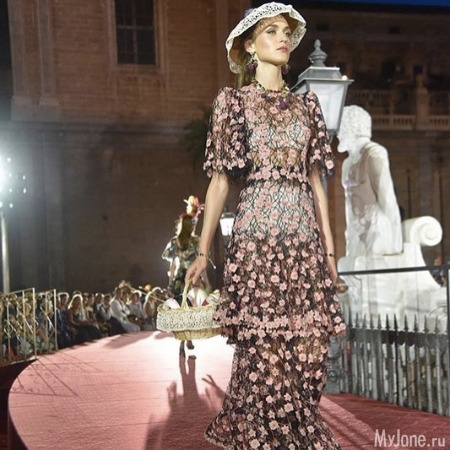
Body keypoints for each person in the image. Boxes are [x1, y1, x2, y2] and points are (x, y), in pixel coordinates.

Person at [185, 3, 346, 448]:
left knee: (311, 350)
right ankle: (266, 435)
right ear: (250, 46)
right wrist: (202, 251)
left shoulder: (307, 106)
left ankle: (294, 425)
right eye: (271, 31)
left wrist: (330, 255)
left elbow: (317, 183)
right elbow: (220, 180)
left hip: (303, 241)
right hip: (257, 239)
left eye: (286, 32)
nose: (282, 38)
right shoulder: (234, 103)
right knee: (266, 350)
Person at [337, 105, 403, 257]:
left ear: (352, 127)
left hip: (376, 228)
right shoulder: (347, 164)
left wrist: (395, 242)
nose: (338, 134)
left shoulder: (374, 154)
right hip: (355, 230)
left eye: (341, 128)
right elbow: (348, 203)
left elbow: (387, 197)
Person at [162, 196, 210, 356]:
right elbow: (201, 265)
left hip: (179, 279)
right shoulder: (195, 242)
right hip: (192, 279)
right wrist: (206, 282)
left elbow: (172, 266)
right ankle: (188, 339)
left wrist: (170, 284)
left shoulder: (176, 242)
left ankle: (183, 342)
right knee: (191, 309)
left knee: (182, 311)